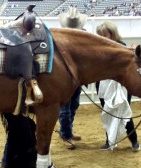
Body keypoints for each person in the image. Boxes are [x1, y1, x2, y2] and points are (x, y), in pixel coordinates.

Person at [96, 21, 140, 152]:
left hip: (121, 86)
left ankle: (134, 141)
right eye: (100, 35)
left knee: (124, 113)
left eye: (105, 34)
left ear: (113, 33)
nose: (103, 37)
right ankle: (109, 141)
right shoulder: (98, 48)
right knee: (108, 112)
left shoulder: (122, 47)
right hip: (104, 86)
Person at [57, 6, 88, 150]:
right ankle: (66, 135)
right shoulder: (59, 38)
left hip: (77, 78)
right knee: (65, 108)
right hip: (64, 79)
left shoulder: (85, 37)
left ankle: (67, 131)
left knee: (73, 105)